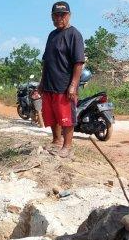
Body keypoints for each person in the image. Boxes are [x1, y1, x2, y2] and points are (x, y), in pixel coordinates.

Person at [37, 1, 85, 158]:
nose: (59, 18)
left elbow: (79, 62)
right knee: (52, 116)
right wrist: (42, 82)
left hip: (64, 85)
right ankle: (56, 141)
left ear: (69, 16)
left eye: (62, 15)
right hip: (49, 84)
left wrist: (73, 85)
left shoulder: (74, 35)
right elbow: (46, 61)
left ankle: (67, 146)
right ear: (52, 17)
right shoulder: (52, 35)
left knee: (66, 117)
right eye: (56, 15)